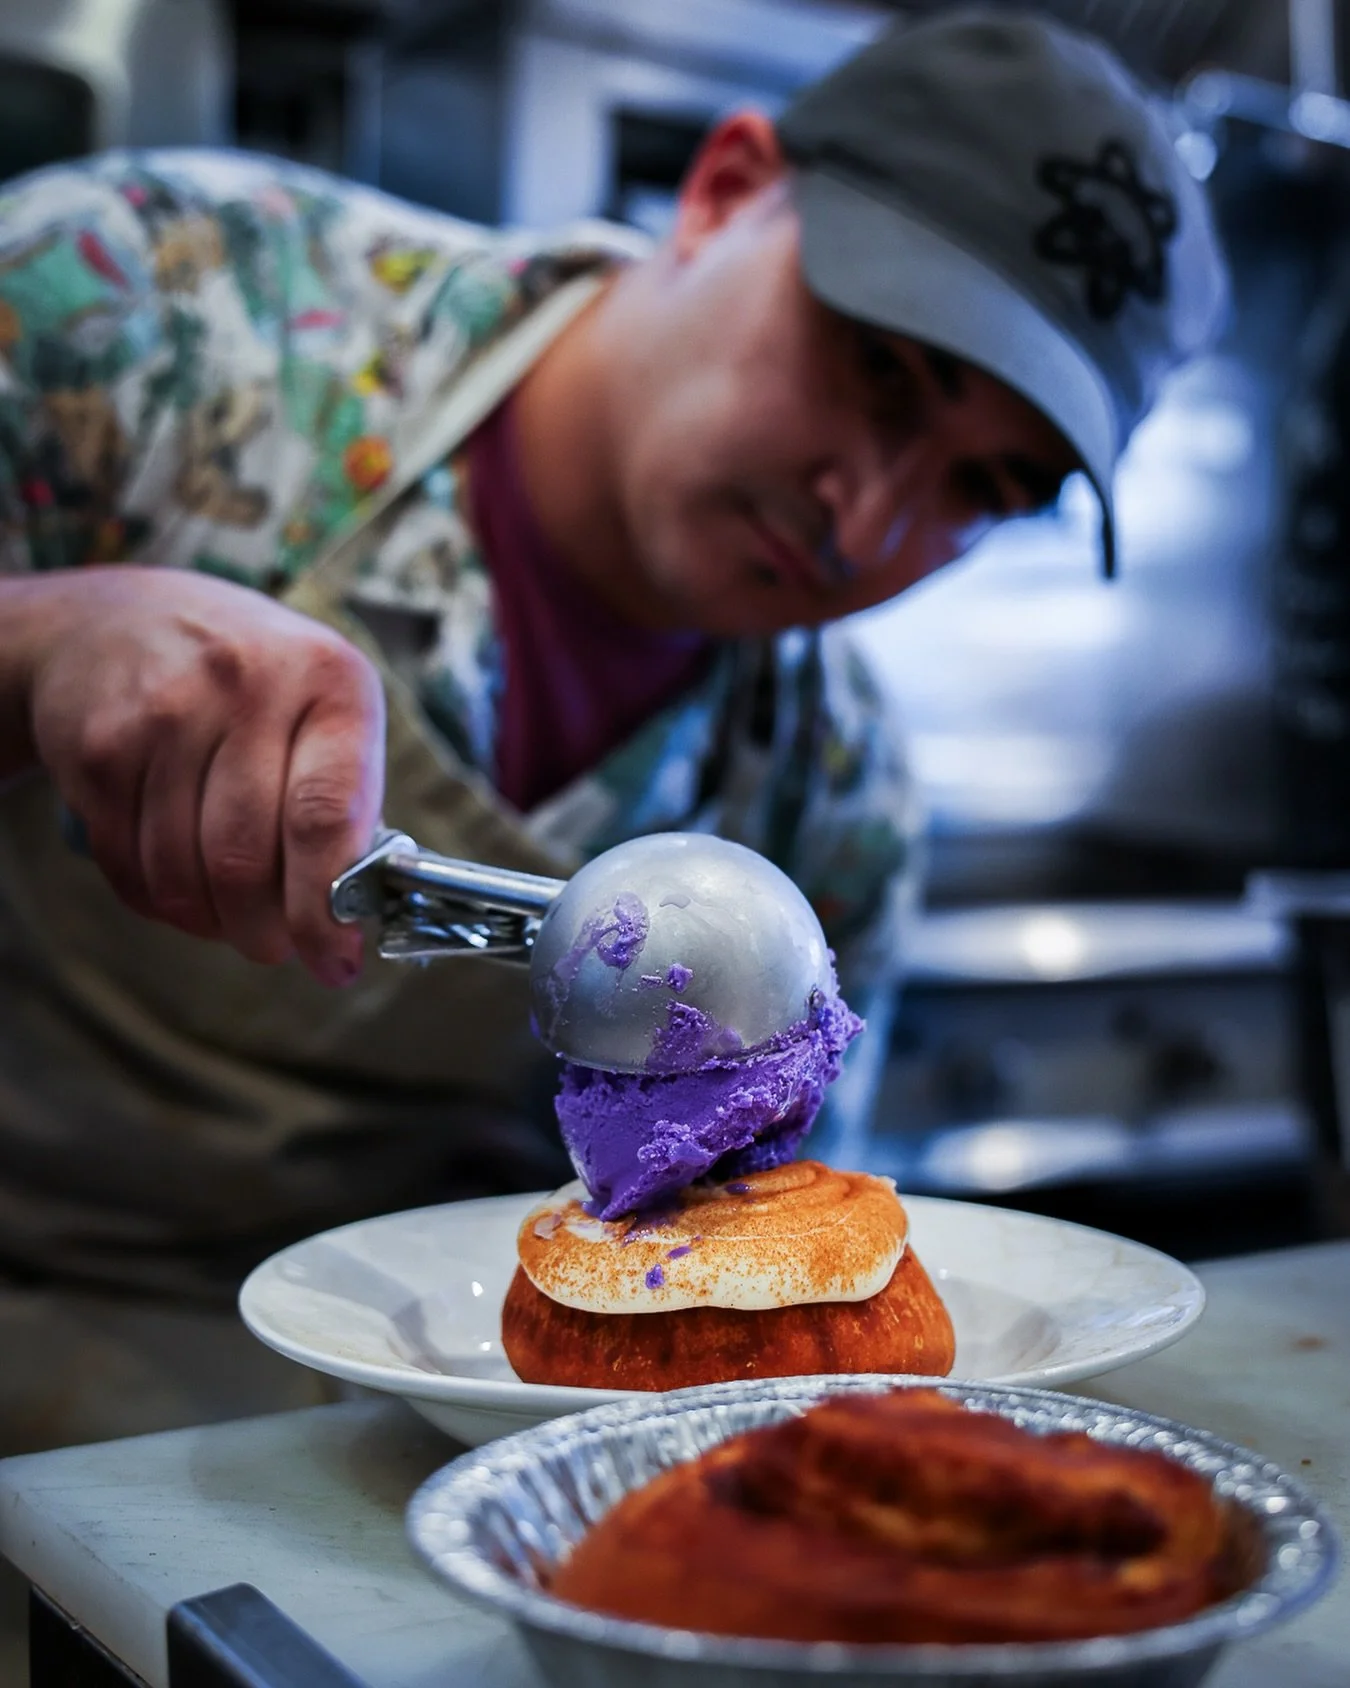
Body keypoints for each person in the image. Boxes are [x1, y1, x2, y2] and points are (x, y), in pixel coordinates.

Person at [0, 10, 1226, 1447]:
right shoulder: (153, 307)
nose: (870, 516)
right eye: (879, 369)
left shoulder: (830, 803)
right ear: (721, 189)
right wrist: (40, 643)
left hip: (413, 1430)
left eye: (985, 489)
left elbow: (760, 1302)